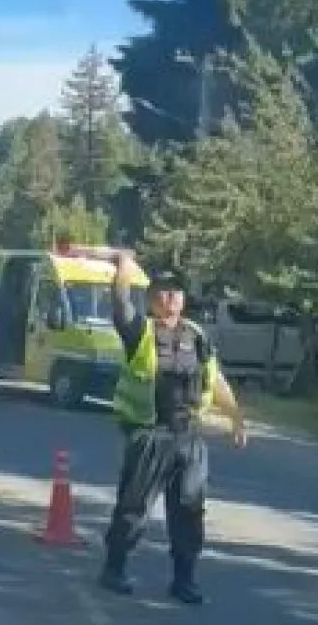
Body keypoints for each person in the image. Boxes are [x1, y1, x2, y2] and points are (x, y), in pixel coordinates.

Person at [99, 255, 247, 605]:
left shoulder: (197, 336)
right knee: (134, 507)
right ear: (151, 299)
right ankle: (114, 568)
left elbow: (216, 379)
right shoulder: (141, 332)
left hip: (189, 438)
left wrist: (235, 417)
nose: (170, 298)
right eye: (163, 292)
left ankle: (184, 580)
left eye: (176, 292)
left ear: (183, 298)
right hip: (150, 434)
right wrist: (122, 270)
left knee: (189, 510)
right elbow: (120, 305)